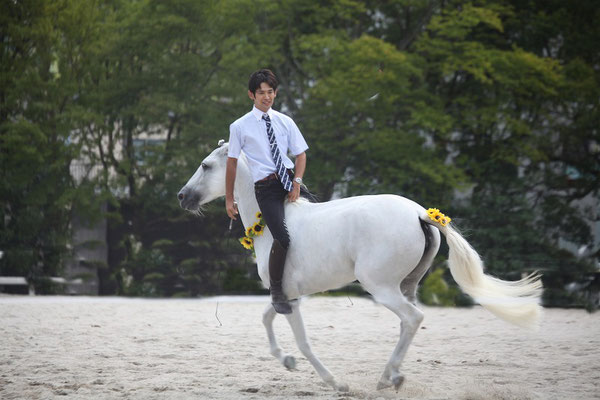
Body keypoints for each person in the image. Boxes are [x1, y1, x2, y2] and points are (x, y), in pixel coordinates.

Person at [225, 69, 309, 314]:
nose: (266, 97)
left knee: (317, 222)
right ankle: (276, 291)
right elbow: (231, 162)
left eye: (270, 92)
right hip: (266, 188)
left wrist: (297, 183)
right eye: (261, 92)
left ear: (276, 92)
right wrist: (230, 198)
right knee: (282, 237)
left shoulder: (285, 121)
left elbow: (301, 155)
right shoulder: (240, 126)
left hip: (290, 181)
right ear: (251, 95)